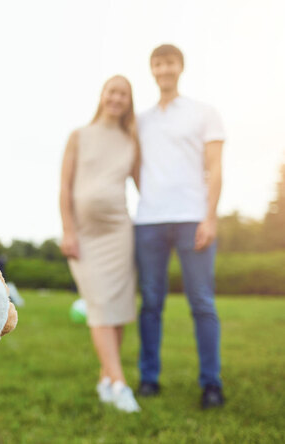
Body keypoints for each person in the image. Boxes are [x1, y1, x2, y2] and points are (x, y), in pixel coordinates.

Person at [135, 44, 225, 409]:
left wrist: (210, 215)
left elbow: (216, 166)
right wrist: (151, 197)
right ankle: (148, 379)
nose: (164, 69)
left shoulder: (204, 113)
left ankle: (211, 384)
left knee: (202, 301)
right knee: (151, 304)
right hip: (149, 221)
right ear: (152, 70)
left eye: (169, 62)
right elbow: (135, 167)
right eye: (158, 63)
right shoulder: (141, 120)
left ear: (180, 67)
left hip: (193, 219)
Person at [59, 75, 141, 413]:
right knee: (101, 304)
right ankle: (120, 385)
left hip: (120, 232)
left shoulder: (131, 141)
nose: (117, 99)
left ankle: (108, 378)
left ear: (129, 101)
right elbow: (64, 187)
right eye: (112, 92)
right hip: (86, 235)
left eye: (124, 94)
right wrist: (68, 230)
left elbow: (144, 184)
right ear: (103, 95)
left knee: (118, 308)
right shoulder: (79, 136)